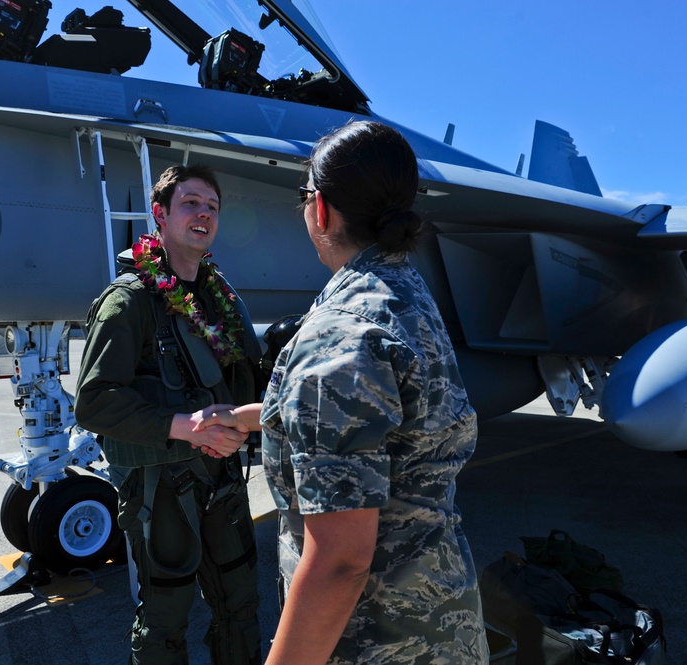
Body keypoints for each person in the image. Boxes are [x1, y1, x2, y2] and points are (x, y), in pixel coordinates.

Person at [198, 121, 490, 664]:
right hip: (444, 628)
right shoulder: (405, 294)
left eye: (306, 195)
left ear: (323, 209)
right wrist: (258, 416)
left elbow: (340, 561)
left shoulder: (340, 333)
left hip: (373, 643)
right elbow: (383, 422)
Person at [74, 164, 265, 665]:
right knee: (165, 622)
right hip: (162, 488)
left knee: (241, 606)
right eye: (191, 203)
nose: (203, 213)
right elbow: (94, 400)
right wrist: (184, 426)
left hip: (222, 477)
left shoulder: (219, 298)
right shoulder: (129, 301)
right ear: (159, 214)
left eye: (212, 207)